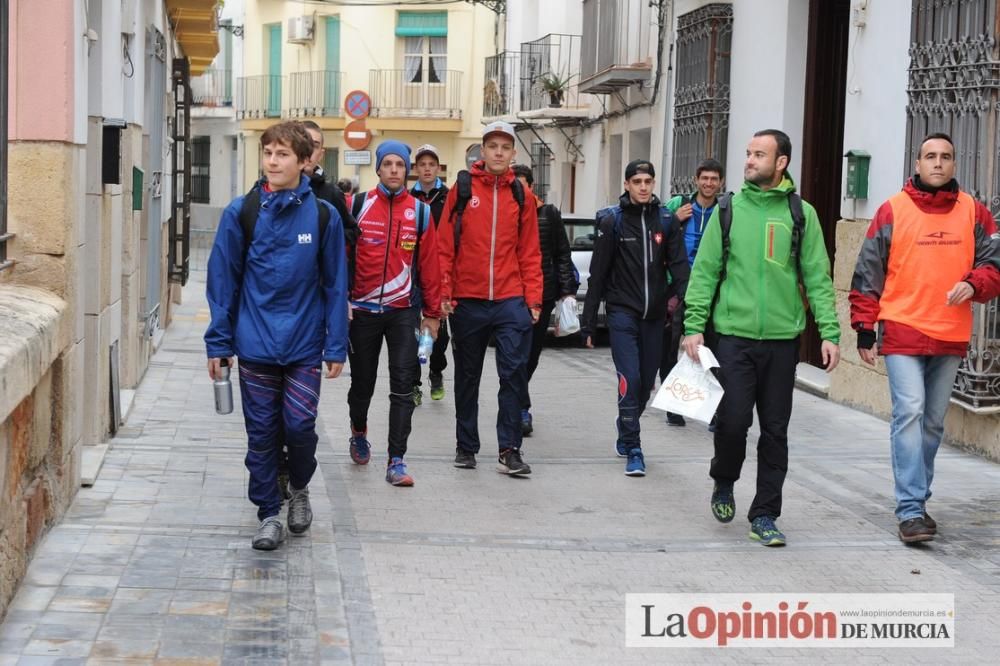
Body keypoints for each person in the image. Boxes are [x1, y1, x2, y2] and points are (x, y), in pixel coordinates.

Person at [682, 129, 841, 547]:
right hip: (733, 338)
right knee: (733, 422)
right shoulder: (728, 210)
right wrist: (693, 326)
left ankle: (766, 513)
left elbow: (818, 278)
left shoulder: (800, 213)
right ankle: (723, 479)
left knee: (775, 430)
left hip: (782, 343)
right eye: (748, 153)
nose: (749, 160)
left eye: (758, 154)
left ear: (781, 162)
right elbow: (705, 272)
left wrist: (829, 332)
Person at [849, 132, 1000, 544]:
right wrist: (865, 327)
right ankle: (911, 509)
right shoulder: (891, 210)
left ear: (954, 165)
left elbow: (993, 264)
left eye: (945, 157)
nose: (937, 163)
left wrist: (974, 283)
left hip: (951, 334)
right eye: (930, 156)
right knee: (910, 412)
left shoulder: (975, 213)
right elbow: (867, 272)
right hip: (902, 328)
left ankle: (919, 500)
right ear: (917, 164)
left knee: (933, 424)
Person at [205, 121, 348, 550]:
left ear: (304, 162)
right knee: (262, 434)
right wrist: (219, 343)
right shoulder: (241, 212)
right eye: (268, 152)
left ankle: (299, 487)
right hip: (255, 345)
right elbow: (222, 282)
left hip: (304, 345)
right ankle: (268, 512)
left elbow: (335, 284)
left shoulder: (324, 216)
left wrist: (336, 344)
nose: (272, 161)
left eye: (283, 154)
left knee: (300, 425)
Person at [437, 121, 543, 476]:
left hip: (510, 298)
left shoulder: (521, 195)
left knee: (513, 375)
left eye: (505, 147)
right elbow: (444, 245)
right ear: (482, 151)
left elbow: (530, 250)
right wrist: (445, 292)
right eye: (492, 146)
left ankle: (510, 449)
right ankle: (466, 446)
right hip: (468, 299)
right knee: (468, 376)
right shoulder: (463, 189)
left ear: (513, 154)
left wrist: (534, 299)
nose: (498, 152)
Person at [580, 159, 689, 477]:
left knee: (645, 386)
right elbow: (597, 276)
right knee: (631, 381)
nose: (643, 187)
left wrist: (691, 308)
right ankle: (634, 448)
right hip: (621, 314)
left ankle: (625, 425)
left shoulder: (666, 220)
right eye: (637, 181)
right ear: (626, 185)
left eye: (648, 181)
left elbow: (680, 268)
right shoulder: (613, 221)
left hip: (655, 317)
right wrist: (588, 323)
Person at [345, 140, 442, 486]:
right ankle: (359, 431)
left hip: (403, 312)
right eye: (387, 164)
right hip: (363, 312)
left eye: (400, 165)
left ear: (407, 169)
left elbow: (431, 265)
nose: (394, 171)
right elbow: (340, 258)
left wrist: (432, 313)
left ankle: (396, 460)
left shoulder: (421, 212)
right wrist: (341, 301)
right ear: (378, 169)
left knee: (403, 387)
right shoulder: (357, 205)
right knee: (362, 385)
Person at [511, 163, 578, 436]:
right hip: (511, 294)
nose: (518, 189)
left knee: (532, 354)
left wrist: (567, 289)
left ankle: (516, 395)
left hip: (543, 293)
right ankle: (520, 407)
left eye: (522, 184)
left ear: (531, 186)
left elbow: (562, 252)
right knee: (515, 352)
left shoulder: (548, 213)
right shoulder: (504, 213)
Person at [660, 158, 725, 427]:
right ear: (696, 180)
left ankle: (716, 410)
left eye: (714, 179)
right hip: (677, 286)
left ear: (720, 183)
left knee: (716, 348)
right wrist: (674, 221)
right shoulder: (679, 205)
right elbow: (657, 235)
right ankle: (673, 405)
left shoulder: (725, 210)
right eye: (704, 178)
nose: (709, 183)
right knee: (670, 346)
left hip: (712, 287)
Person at [409, 144, 451, 404]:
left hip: (440, 269)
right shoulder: (407, 197)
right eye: (422, 164)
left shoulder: (449, 197)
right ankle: (413, 382)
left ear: (438, 168)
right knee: (410, 331)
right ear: (416, 169)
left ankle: (436, 371)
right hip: (412, 270)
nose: (426, 168)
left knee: (440, 331)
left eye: (431, 164)